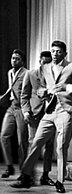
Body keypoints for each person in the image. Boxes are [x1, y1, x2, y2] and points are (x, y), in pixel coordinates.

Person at [10, 40, 72, 193]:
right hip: (50, 111)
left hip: (66, 110)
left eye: (58, 51)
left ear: (65, 53)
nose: (55, 54)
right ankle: (25, 176)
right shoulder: (44, 68)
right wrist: (41, 92)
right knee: (36, 142)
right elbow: (40, 89)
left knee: (61, 146)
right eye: (53, 51)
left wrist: (67, 87)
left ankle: (60, 181)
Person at [20, 51, 55, 186]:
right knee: (33, 144)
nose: (46, 65)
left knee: (49, 146)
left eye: (49, 62)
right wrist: (26, 112)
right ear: (39, 61)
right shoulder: (31, 74)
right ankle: (28, 175)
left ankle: (45, 176)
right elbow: (24, 96)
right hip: (34, 114)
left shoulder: (56, 75)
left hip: (51, 113)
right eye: (44, 62)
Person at [0, 49, 28, 178]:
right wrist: (3, 96)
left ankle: (23, 170)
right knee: (4, 136)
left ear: (22, 61)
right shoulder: (10, 72)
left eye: (16, 58)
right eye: (12, 58)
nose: (13, 61)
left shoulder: (27, 73)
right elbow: (11, 88)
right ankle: (9, 166)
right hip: (11, 107)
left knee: (22, 140)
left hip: (21, 108)